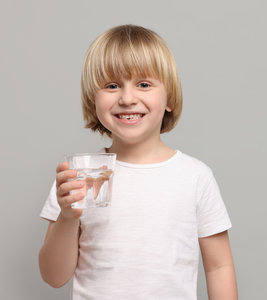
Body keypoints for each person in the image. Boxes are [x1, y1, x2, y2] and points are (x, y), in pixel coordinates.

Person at [38, 24, 238, 300]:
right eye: (111, 85)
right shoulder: (81, 176)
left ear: (168, 97)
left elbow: (219, 266)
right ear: (92, 99)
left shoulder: (195, 176)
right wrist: (68, 217)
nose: (127, 98)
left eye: (144, 84)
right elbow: (53, 276)